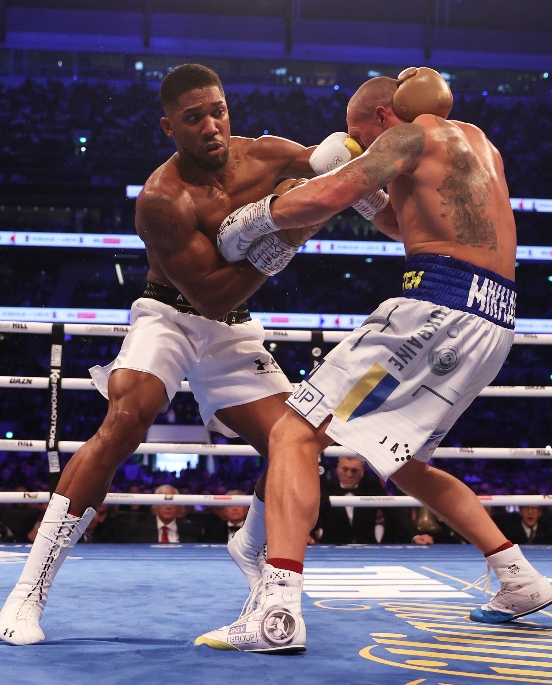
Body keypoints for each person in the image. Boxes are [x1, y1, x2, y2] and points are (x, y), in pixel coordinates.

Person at [196, 67, 552, 653]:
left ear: (384, 118)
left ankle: (277, 613)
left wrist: (256, 217)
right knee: (406, 463)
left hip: (435, 307)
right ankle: (518, 577)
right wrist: (367, 193)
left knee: (293, 433)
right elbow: (405, 220)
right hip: (494, 319)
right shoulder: (477, 142)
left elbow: (322, 196)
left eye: (360, 136)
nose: (360, 146)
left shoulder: (407, 135)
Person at [0, 62, 337, 646]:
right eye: (194, 118)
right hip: (171, 316)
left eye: (218, 111)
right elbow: (210, 294)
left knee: (300, 441)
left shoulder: (265, 155)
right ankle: (28, 591)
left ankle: (251, 544)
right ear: (169, 127)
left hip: (233, 332)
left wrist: (360, 149)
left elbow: (327, 167)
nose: (211, 126)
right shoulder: (161, 198)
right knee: (124, 420)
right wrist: (285, 234)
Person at [318, 456, 432, 545]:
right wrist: (310, 533)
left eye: (354, 471)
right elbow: (313, 513)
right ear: (338, 468)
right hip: (331, 547)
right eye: (345, 469)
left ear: (362, 471)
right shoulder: (326, 487)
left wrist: (415, 535)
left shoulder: (371, 486)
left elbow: (395, 511)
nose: (349, 475)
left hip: (367, 548)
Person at [131, 485, 202, 543]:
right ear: (156, 505)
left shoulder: (191, 531)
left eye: (172, 502)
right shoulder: (140, 530)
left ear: (177, 506)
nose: (168, 507)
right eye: (163, 502)